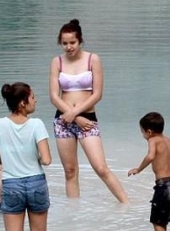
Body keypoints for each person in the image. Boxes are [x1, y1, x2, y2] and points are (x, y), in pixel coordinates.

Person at [49, 19, 128, 203]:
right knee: (70, 171)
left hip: (87, 118)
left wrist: (75, 114)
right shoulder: (57, 62)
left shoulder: (93, 59)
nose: (69, 47)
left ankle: (126, 204)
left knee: (100, 167)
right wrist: (73, 117)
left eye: (72, 43)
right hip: (63, 120)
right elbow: (54, 96)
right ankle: (74, 214)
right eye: (65, 43)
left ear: (80, 41)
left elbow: (97, 94)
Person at [0, 83, 52, 231]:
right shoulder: (37, 124)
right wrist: (32, 157)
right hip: (36, 183)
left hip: (11, 184)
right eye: (32, 97)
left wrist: (10, 157)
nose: (35, 100)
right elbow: (46, 159)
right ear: (23, 103)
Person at [127, 112, 170, 231]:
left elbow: (150, 156)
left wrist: (138, 169)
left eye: (142, 131)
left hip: (164, 185)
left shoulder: (153, 140)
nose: (142, 134)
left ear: (149, 132)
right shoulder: (168, 141)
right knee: (163, 220)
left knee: (157, 221)